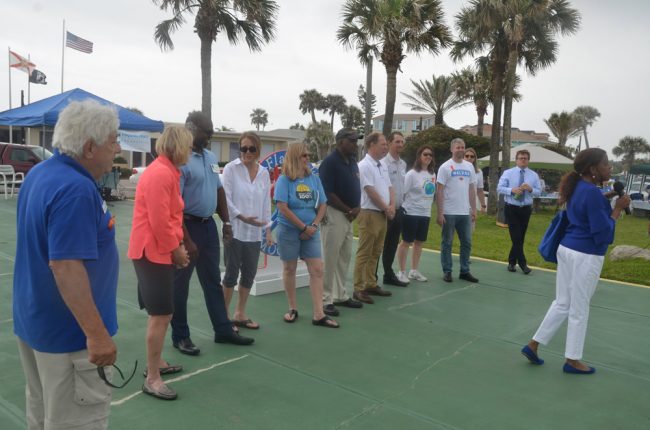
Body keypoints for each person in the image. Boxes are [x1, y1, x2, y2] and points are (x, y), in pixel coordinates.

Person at [13, 100, 121, 429]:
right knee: (75, 421)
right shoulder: (75, 189)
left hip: (38, 326)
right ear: (89, 147)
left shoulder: (42, 174)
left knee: (44, 414)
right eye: (113, 140)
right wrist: (97, 335)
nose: (117, 149)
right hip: (69, 339)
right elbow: (66, 267)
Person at [521, 148, 630, 374]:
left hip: (567, 249)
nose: (610, 168)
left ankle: (534, 344)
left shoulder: (579, 187)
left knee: (563, 302)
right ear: (593, 169)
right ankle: (572, 360)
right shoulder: (591, 193)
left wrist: (607, 199)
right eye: (606, 164)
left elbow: (588, 205)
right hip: (586, 255)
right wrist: (618, 209)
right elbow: (603, 234)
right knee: (579, 307)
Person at [172, 111, 254, 357]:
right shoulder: (181, 158)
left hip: (208, 226)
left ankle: (222, 329)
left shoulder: (209, 156)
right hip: (187, 226)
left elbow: (218, 190)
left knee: (212, 282)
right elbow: (175, 203)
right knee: (180, 286)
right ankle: (181, 336)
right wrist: (186, 238)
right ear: (190, 128)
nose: (209, 136)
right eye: (206, 132)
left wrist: (227, 222)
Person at [128, 126, 192, 400]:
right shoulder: (161, 174)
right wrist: (176, 250)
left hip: (156, 251)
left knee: (162, 312)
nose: (190, 150)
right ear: (177, 146)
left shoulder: (167, 171)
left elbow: (168, 217)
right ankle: (152, 377)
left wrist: (176, 246)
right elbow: (159, 221)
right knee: (162, 314)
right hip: (152, 252)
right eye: (188, 146)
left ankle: (157, 365)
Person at [274, 142, 339, 328]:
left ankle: (319, 313)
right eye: (304, 155)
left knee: (317, 269)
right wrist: (302, 227)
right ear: (295, 157)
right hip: (289, 230)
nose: (307, 158)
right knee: (290, 268)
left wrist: (313, 225)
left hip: (310, 230)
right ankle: (292, 308)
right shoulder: (284, 180)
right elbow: (282, 207)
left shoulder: (314, 179)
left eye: (308, 155)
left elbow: (323, 204)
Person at [221, 131, 273, 329]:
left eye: (251, 148)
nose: (247, 152)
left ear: (258, 149)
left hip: (254, 233)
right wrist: (242, 217)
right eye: (243, 148)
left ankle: (240, 313)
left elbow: (266, 202)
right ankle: (224, 317)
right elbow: (225, 199)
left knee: (249, 273)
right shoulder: (230, 169)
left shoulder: (263, 173)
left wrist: (267, 228)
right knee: (231, 274)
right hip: (234, 230)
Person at [319, 128, 364, 317]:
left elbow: (356, 187)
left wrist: (357, 207)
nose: (355, 144)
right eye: (352, 141)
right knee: (329, 258)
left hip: (349, 215)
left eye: (356, 141)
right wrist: (348, 209)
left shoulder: (352, 161)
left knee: (344, 256)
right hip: (335, 214)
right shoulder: (329, 163)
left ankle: (340, 295)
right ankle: (325, 299)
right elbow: (327, 193)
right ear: (340, 142)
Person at [353, 132, 394, 304]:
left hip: (382, 214)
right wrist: (386, 207)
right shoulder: (364, 166)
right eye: (383, 144)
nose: (386, 147)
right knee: (365, 252)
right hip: (369, 213)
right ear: (371, 145)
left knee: (376, 251)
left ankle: (370, 283)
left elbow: (390, 187)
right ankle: (358, 288)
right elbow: (369, 189)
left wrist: (392, 206)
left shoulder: (381, 165)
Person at [436, 138, 478, 283]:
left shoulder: (469, 167)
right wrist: (439, 212)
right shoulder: (445, 167)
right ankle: (447, 271)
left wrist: (473, 209)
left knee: (467, 242)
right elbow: (439, 191)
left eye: (463, 147)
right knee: (447, 242)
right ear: (452, 149)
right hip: (449, 211)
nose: (461, 149)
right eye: (458, 147)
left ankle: (464, 271)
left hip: (464, 212)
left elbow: (471, 189)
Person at [497, 149, 542, 274]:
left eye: (525, 158)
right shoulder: (508, 173)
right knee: (516, 237)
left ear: (528, 160)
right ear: (516, 160)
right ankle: (523, 264)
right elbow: (499, 188)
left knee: (520, 238)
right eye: (521, 158)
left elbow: (539, 191)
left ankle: (511, 262)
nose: (523, 160)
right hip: (511, 208)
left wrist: (531, 189)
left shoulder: (533, 175)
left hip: (526, 209)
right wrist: (512, 190)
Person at [396, 145, 436, 283]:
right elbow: (403, 193)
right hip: (410, 213)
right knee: (406, 242)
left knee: (419, 243)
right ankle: (401, 272)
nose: (428, 157)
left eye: (430, 155)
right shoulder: (411, 174)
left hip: (425, 214)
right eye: (425, 154)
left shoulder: (432, 174)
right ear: (419, 156)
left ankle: (414, 271)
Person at [379, 132, 409, 287]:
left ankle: (388, 274)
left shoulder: (403, 164)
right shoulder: (383, 163)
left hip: (398, 210)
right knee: (379, 244)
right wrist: (387, 207)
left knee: (392, 244)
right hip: (384, 211)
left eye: (402, 142)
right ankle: (370, 278)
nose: (400, 145)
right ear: (389, 143)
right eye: (397, 141)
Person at [463, 148, 486, 215]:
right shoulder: (458, 170)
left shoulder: (478, 172)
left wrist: (483, 205)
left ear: (475, 158)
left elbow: (480, 190)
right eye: (467, 156)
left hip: (471, 206)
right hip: (457, 206)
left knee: (470, 225)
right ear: (463, 157)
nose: (469, 158)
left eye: (472, 156)